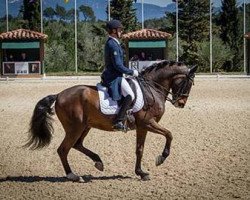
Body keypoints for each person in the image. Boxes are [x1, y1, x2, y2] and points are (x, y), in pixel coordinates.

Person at [101, 19, 139, 131]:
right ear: (113, 31)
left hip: (117, 75)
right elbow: (118, 65)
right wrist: (132, 72)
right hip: (113, 76)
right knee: (130, 95)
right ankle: (118, 121)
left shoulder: (114, 43)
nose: (121, 31)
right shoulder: (112, 44)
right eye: (119, 29)